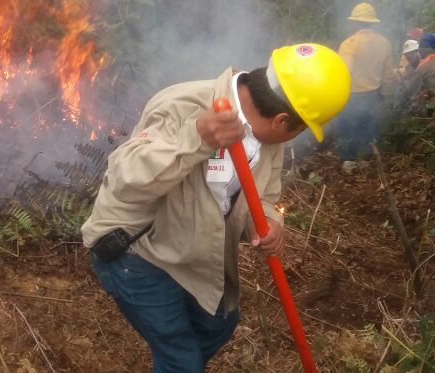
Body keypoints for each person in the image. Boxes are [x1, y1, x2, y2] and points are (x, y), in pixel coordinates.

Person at [81, 44, 351, 372]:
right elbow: (125, 180)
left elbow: (265, 196)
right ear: (282, 121)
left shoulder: (270, 141)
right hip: (138, 249)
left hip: (194, 250)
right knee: (181, 360)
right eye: (302, 128)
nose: (297, 136)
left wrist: (267, 220)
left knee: (219, 324)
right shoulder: (183, 104)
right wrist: (196, 138)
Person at [333, 2, 395, 173]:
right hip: (372, 93)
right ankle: (366, 160)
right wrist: (385, 94)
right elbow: (388, 75)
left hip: (351, 93)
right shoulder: (384, 43)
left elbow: (343, 71)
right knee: (367, 125)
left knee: (347, 126)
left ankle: (349, 161)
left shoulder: (350, 44)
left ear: (355, 22)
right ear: (372, 22)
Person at [407, 32, 435, 107]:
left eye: (420, 48)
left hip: (433, 105)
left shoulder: (424, 66)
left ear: (426, 49)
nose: (419, 50)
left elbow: (412, 88)